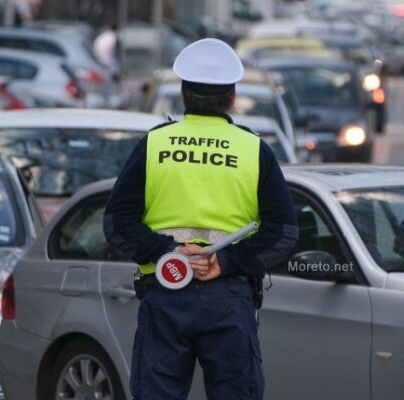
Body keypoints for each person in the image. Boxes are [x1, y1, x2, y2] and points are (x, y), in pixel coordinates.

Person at [103, 38, 298, 400]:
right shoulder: (254, 149)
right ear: (232, 98)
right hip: (228, 301)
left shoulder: (154, 144)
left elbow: (116, 223)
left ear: (183, 94)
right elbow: (283, 233)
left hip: (166, 293)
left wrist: (170, 254)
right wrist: (222, 261)